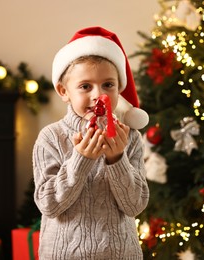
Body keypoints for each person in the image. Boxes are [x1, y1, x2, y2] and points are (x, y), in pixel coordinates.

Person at [32, 26, 150, 260]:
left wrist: (117, 160)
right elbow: (49, 205)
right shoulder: (51, 137)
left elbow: (135, 205)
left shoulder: (130, 137)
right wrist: (80, 160)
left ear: (119, 87)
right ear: (64, 91)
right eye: (85, 86)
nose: (99, 95)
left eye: (108, 85)